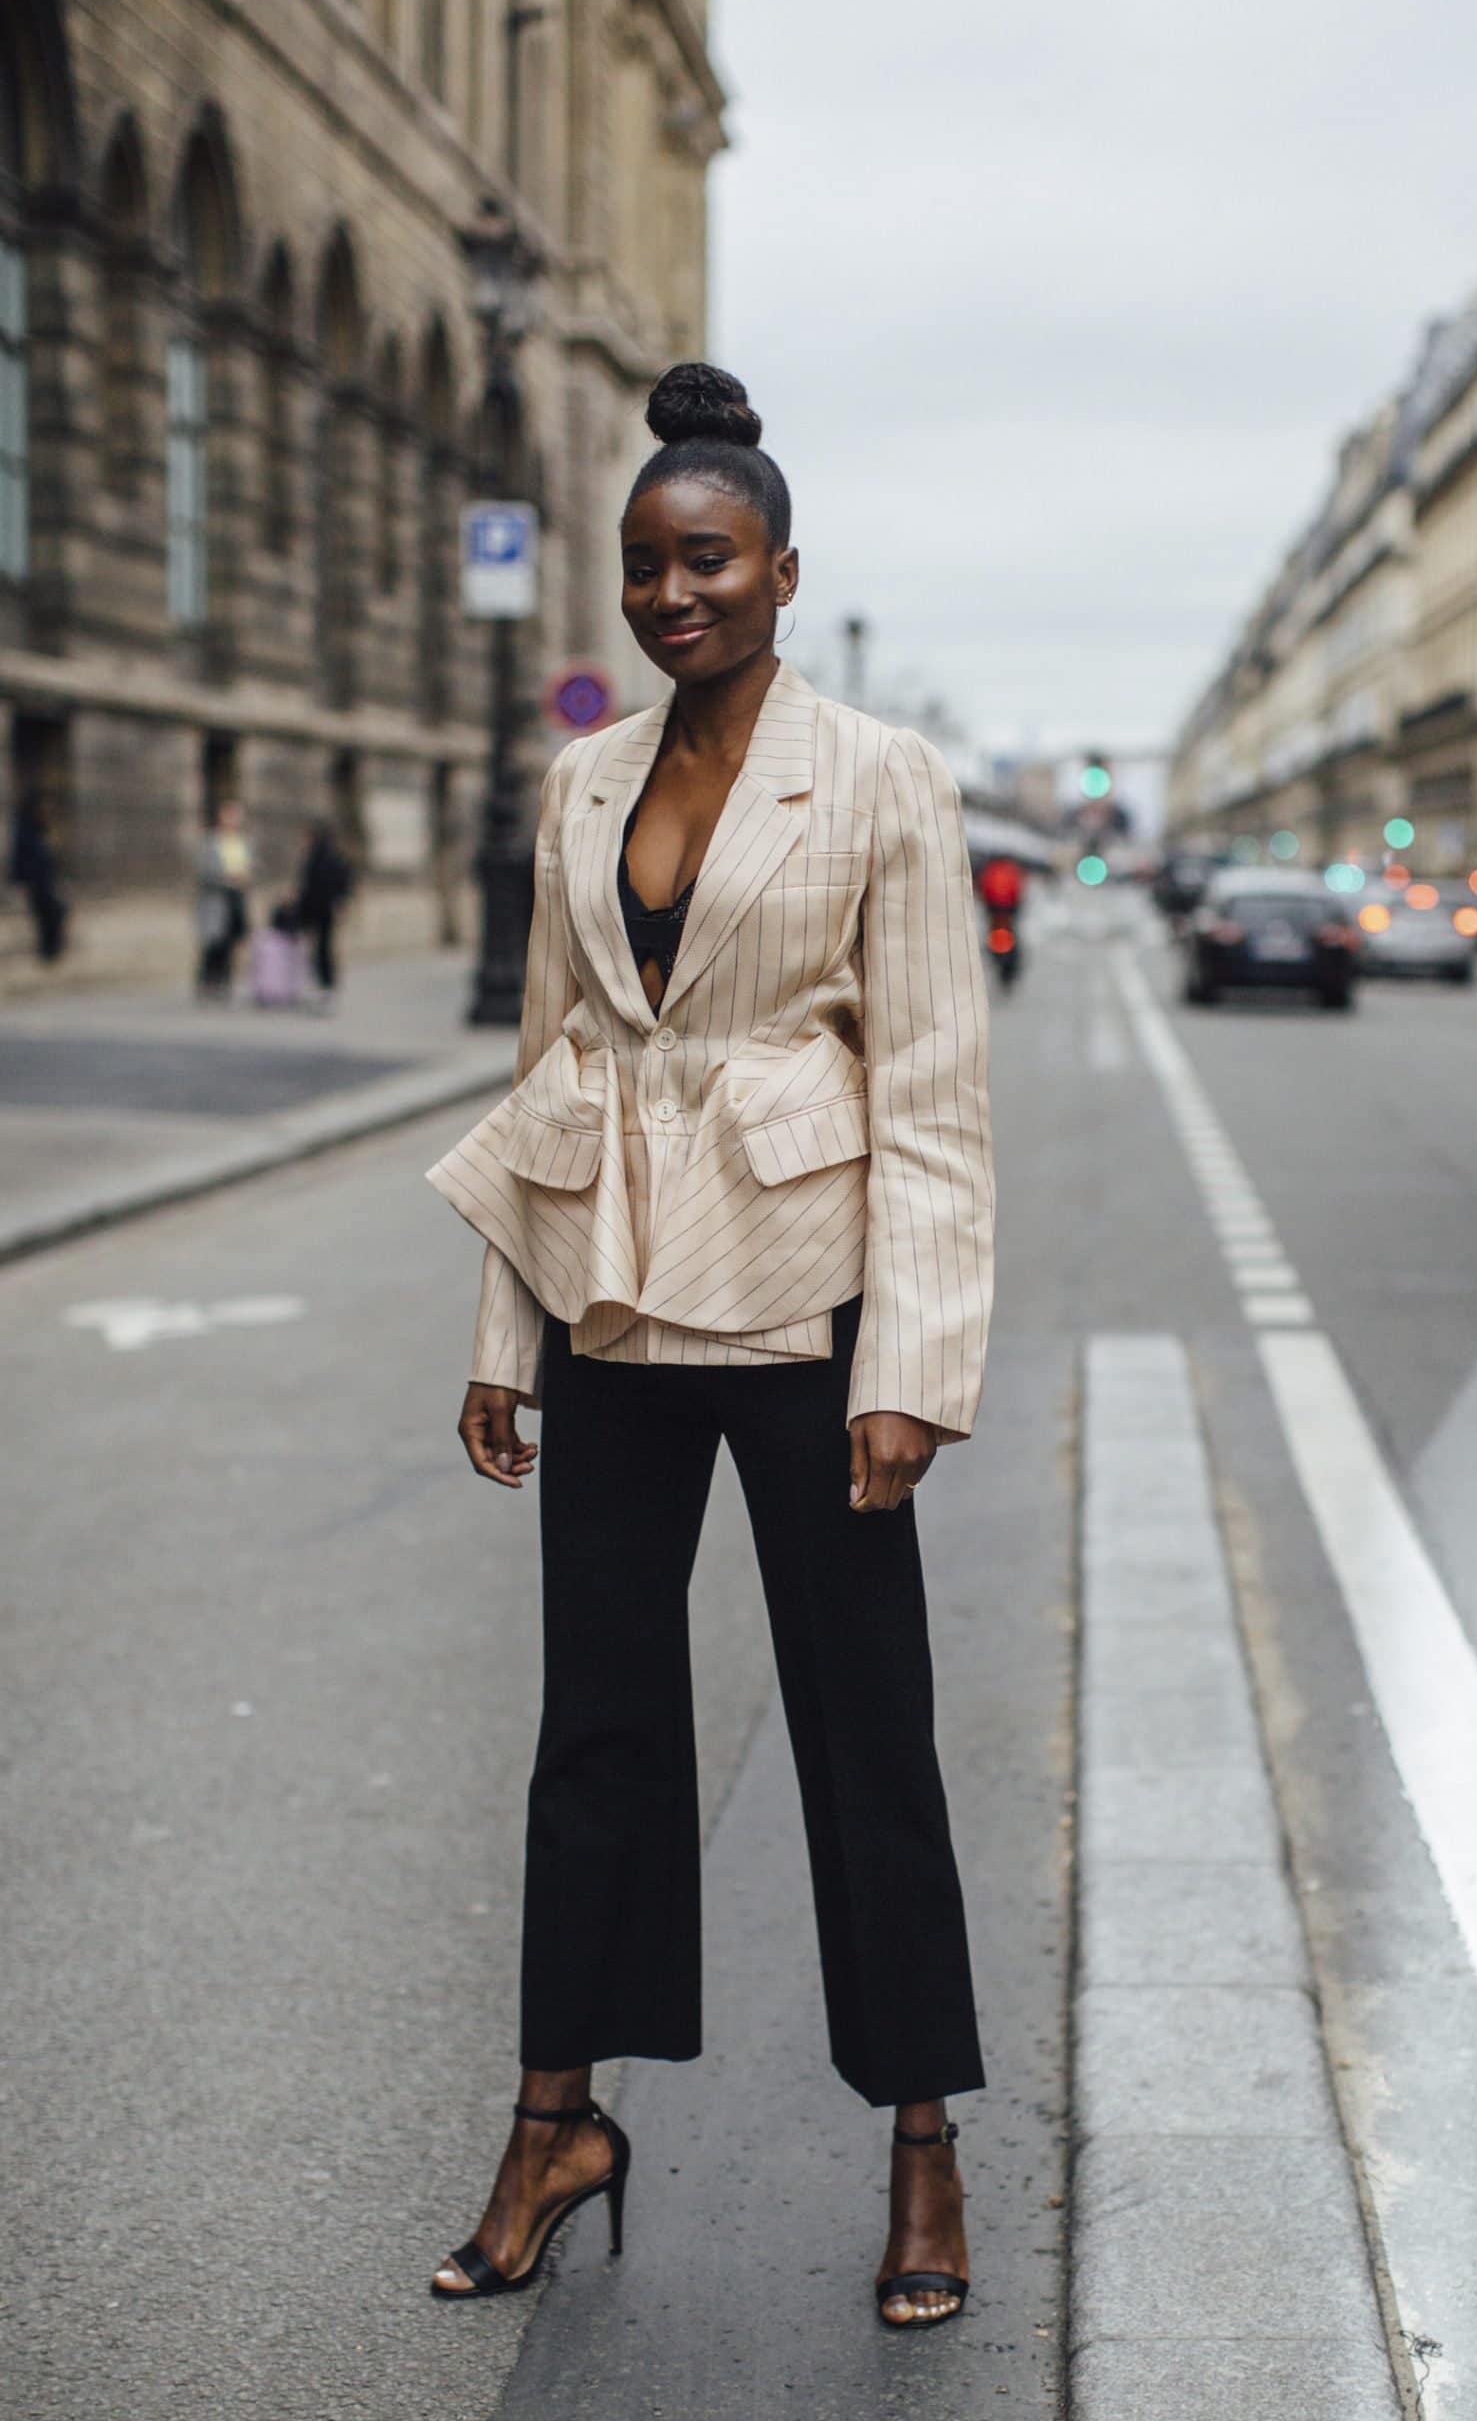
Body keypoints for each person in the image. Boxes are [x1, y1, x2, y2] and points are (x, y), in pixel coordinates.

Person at [425, 362, 995, 2329]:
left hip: (805, 1309)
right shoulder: (586, 781)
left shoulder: (881, 777)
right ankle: (553, 2117)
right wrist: (507, 1317)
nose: (672, 594)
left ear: (779, 568)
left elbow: (928, 1090)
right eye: (644, 566)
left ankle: (920, 2138)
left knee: (863, 1725)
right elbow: (549, 1062)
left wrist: (907, 1358)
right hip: (609, 1305)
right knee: (590, 1730)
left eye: (709, 560)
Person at [194, 797, 251, 997]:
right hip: (216, 898)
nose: (234, 819)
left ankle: (225, 982)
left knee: (230, 942)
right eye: (230, 814)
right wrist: (225, 879)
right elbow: (203, 872)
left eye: (237, 815)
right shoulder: (211, 841)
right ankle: (208, 982)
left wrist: (243, 877)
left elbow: (250, 867)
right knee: (213, 943)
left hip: (236, 897)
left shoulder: (242, 842)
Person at [293, 820, 353, 1003]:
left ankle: (324, 984)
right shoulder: (335, 857)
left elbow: (308, 887)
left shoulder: (316, 859)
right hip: (327, 909)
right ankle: (326, 985)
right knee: (324, 947)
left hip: (317, 909)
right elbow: (344, 884)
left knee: (320, 948)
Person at [8, 790, 67, 963]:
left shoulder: (39, 830)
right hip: (36, 883)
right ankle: (48, 952)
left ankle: (51, 951)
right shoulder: (25, 831)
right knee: (49, 914)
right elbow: (22, 859)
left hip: (45, 881)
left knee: (55, 913)